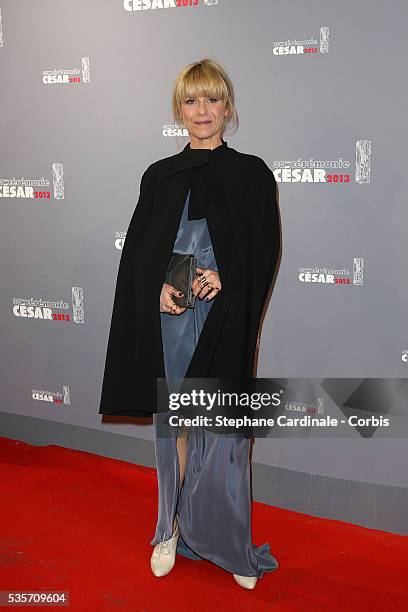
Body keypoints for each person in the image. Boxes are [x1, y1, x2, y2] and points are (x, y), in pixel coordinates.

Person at [98, 58, 281, 590]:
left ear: (229, 107)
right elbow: (138, 251)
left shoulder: (251, 173)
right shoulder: (158, 175)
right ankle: (170, 527)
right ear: (178, 110)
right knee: (174, 426)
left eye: (212, 99)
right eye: (191, 101)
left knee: (223, 430)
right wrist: (155, 284)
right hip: (171, 320)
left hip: (223, 315)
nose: (203, 111)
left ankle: (229, 540)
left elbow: (262, 249)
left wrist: (227, 281)